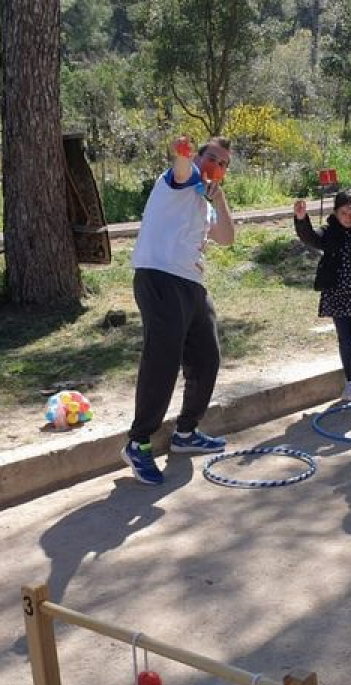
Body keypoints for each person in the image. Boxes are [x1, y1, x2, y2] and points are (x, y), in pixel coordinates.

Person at [121, 136, 236, 486]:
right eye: (211, 158)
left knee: (207, 358)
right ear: (198, 156)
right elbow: (182, 169)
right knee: (163, 360)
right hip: (158, 276)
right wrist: (185, 157)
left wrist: (217, 193)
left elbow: (227, 238)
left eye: (224, 164)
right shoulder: (177, 181)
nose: (216, 165)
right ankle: (138, 442)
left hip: (192, 284)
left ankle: (186, 432)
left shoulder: (207, 200)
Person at [293, 190, 351, 402]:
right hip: (336, 295)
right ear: (335, 213)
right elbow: (311, 238)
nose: (347, 216)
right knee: (345, 340)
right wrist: (301, 219)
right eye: (342, 212)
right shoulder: (329, 232)